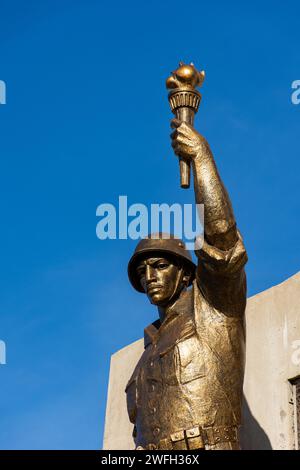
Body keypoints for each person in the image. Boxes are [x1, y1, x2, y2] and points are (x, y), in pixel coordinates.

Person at [126, 119, 248, 450]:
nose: (149, 276)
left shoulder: (213, 312)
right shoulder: (146, 354)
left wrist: (201, 158)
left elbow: (222, 240)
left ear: (187, 274)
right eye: (142, 271)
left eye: (161, 265)